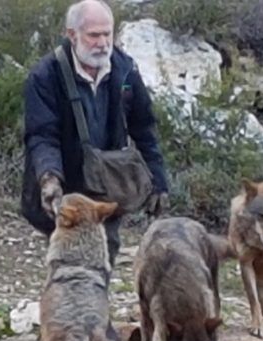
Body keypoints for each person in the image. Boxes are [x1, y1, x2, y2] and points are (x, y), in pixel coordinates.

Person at [20, 0, 170, 268]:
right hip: (65, 187)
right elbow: (42, 135)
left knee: (104, 260)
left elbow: (144, 127)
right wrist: (49, 178)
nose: (102, 42)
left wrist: (158, 181)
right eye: (93, 35)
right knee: (65, 265)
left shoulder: (125, 70)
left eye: (107, 34)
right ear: (72, 34)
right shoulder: (45, 75)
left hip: (107, 187)